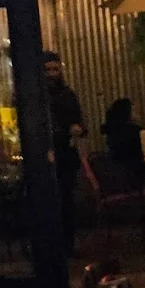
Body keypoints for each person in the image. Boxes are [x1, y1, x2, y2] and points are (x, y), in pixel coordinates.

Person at [44, 51, 85, 254]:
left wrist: (77, 128)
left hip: (65, 154)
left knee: (66, 200)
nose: (53, 74)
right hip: (46, 155)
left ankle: (67, 244)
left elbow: (80, 123)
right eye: (49, 70)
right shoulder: (38, 97)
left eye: (56, 69)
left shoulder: (68, 95)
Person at [101, 98, 145, 190]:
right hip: (136, 175)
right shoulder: (135, 132)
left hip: (118, 176)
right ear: (126, 113)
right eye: (134, 110)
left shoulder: (112, 133)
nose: (137, 113)